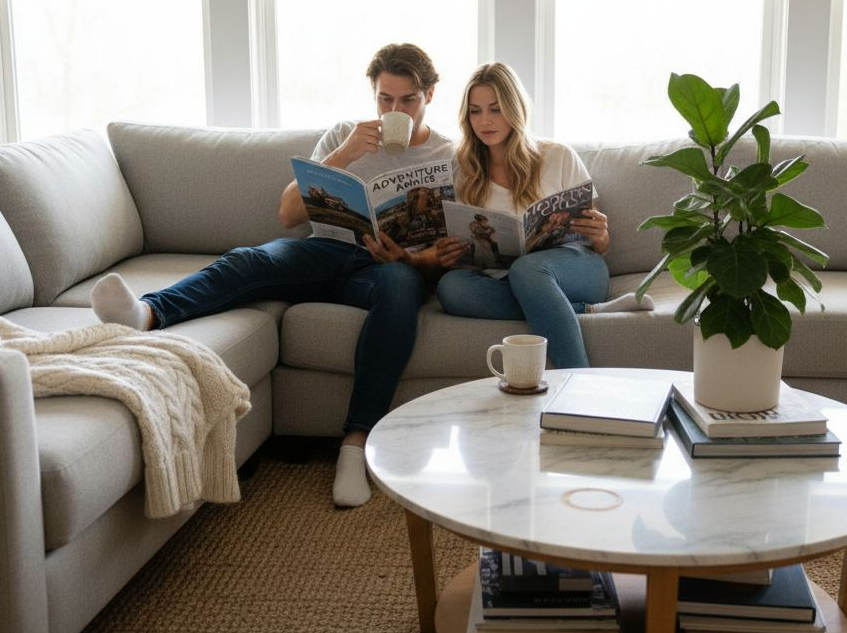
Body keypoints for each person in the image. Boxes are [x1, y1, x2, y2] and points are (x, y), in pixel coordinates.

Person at [89, 43, 466, 508]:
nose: (394, 110)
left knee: (401, 290)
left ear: (430, 94)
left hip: (388, 268)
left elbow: (446, 250)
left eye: (407, 100)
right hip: (324, 251)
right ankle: (147, 313)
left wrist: (410, 259)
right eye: (385, 99)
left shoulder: (449, 154)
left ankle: (354, 443)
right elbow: (288, 214)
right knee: (252, 259)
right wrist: (344, 156)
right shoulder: (344, 137)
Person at [435, 62, 652, 370]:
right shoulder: (464, 171)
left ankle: (577, 381)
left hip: (576, 269)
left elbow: (600, 246)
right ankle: (582, 311)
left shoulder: (558, 155)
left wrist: (600, 234)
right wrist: (454, 252)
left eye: (496, 109)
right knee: (451, 287)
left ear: (515, 108)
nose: (485, 121)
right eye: (475, 111)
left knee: (528, 269)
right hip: (505, 278)